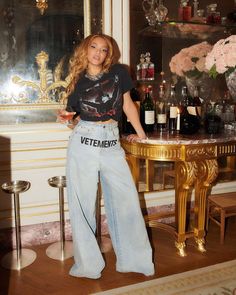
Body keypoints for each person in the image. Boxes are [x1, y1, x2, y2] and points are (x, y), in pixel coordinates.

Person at [57, 34, 155, 279]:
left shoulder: (119, 73)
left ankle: (135, 260)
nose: (98, 53)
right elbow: (73, 118)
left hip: (112, 142)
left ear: (108, 54)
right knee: (82, 206)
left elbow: (128, 105)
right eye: (94, 47)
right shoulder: (77, 81)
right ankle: (88, 266)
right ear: (85, 49)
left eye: (103, 49)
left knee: (127, 202)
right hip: (83, 143)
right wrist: (66, 119)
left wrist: (140, 133)